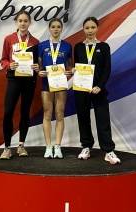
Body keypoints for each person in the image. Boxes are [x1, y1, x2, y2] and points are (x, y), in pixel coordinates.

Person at [73, 16, 121, 164]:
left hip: (98, 90)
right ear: (83, 29)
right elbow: (77, 65)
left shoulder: (104, 47)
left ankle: (108, 150)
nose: (90, 30)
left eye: (93, 27)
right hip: (81, 89)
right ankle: (86, 146)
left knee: (103, 119)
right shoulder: (78, 47)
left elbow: (107, 70)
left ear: (97, 28)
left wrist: (99, 86)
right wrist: (74, 70)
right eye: (87, 28)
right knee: (83, 118)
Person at [0, 10, 40, 160]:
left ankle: (21, 145)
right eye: (20, 21)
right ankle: (7, 147)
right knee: (8, 111)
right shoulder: (9, 39)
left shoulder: (35, 42)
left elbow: (38, 62)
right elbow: (3, 59)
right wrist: (9, 65)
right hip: (14, 79)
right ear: (17, 22)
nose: (23, 23)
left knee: (25, 111)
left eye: (25, 21)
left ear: (29, 23)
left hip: (29, 80)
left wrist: (37, 67)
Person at [37, 18, 73, 158]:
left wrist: (70, 71)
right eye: (53, 27)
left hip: (61, 83)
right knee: (47, 113)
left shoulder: (67, 46)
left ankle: (57, 146)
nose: (56, 29)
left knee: (59, 114)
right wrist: (39, 72)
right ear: (49, 29)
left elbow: (71, 65)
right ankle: (48, 147)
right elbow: (39, 66)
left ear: (62, 28)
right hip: (46, 83)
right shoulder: (42, 46)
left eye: (58, 26)